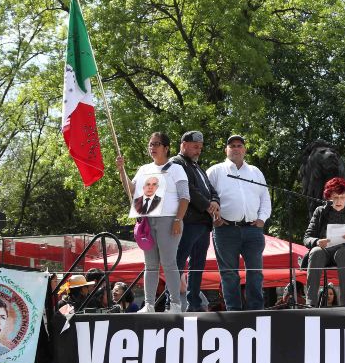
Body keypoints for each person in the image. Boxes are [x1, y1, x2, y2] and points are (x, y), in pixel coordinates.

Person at [116, 132, 190, 312]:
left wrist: (178, 219)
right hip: (147, 221)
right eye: (150, 144)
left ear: (166, 148)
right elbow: (131, 190)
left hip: (169, 220)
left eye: (156, 144)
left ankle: (175, 304)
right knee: (149, 265)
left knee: (169, 263)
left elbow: (185, 197)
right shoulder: (143, 169)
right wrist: (121, 170)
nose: (152, 147)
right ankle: (149, 305)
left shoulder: (177, 168)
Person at [207, 134, 271, 311]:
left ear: (245, 150)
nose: (236, 148)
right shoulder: (215, 171)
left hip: (253, 229)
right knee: (229, 274)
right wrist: (214, 219)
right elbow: (205, 198)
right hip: (225, 229)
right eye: (232, 146)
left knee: (255, 273)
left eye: (239, 145)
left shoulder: (255, 172)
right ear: (226, 150)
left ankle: (256, 310)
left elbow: (265, 197)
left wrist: (262, 219)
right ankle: (233, 312)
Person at [171, 130, 220, 312]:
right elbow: (188, 190)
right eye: (195, 147)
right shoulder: (177, 163)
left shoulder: (198, 167)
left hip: (203, 224)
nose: (198, 150)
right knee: (178, 261)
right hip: (188, 221)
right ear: (184, 145)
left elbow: (211, 189)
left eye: (200, 147)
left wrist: (215, 201)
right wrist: (208, 205)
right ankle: (172, 301)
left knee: (198, 265)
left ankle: (194, 303)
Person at [302, 177, 345, 307]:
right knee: (315, 252)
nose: (339, 201)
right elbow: (307, 237)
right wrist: (317, 242)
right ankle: (311, 303)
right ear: (329, 197)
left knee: (344, 253)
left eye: (342, 197)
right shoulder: (320, 212)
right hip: (325, 252)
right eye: (335, 197)